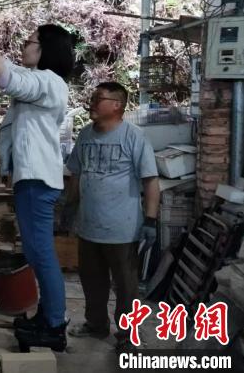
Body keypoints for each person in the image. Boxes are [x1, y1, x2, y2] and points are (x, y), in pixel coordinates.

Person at [0, 24, 74, 352]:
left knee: (41, 254)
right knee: (37, 253)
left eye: (30, 41)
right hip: (32, 179)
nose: (24, 45)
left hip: (38, 181)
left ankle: (54, 325)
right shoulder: (40, 80)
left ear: (46, 49)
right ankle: (47, 317)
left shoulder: (49, 82)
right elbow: (11, 72)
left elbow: (5, 76)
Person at [65, 82, 160, 352]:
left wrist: (150, 220)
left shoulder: (134, 136)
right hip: (89, 226)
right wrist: (70, 208)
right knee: (92, 282)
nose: (92, 102)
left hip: (122, 229)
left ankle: (127, 335)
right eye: (93, 96)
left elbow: (151, 181)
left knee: (126, 287)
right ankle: (96, 324)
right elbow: (76, 174)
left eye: (99, 98)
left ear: (117, 105)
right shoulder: (85, 135)